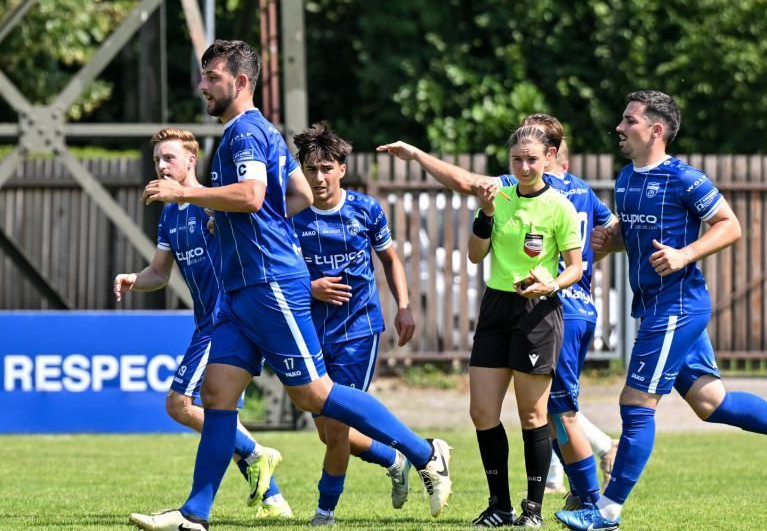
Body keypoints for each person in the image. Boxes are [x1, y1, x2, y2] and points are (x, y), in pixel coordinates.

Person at [129, 40, 451, 531]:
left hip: (269, 282)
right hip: (241, 291)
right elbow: (296, 194)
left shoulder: (246, 133)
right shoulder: (251, 135)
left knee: (315, 394)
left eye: (212, 77)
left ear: (240, 82)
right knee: (217, 395)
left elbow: (255, 195)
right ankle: (194, 515)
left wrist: (191, 192)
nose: (202, 86)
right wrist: (231, 215)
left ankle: (425, 453)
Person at [556, 90, 767, 531]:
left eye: (629, 121)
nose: (619, 128)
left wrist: (685, 254)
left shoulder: (685, 179)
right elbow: (627, 236)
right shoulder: (627, 178)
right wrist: (607, 244)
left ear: (656, 130)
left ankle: (607, 511)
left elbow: (731, 225)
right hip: (653, 308)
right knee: (712, 402)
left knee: (635, 403)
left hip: (677, 307)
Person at [378, 114, 619, 521]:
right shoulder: (500, 195)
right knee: (483, 412)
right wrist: (486, 214)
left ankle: (533, 508)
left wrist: (552, 284)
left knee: (533, 415)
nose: (523, 167)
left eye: (530, 159)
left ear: (548, 159)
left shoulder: (560, 204)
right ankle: (498, 504)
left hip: (538, 312)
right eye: (516, 159)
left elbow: (577, 267)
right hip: (496, 307)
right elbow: (475, 254)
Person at [114, 127, 291, 519]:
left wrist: (217, 216)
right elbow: (159, 274)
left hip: (226, 319)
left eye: (170, 157)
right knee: (220, 414)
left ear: (191, 161)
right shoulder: (168, 218)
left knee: (179, 405)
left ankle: (256, 452)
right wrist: (134, 279)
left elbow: (253, 216)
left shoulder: (212, 202)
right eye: (158, 158)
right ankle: (275, 501)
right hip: (207, 323)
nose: (161, 165)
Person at [290, 122, 416, 526]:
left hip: (358, 328)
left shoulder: (365, 210)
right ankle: (394, 458)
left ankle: (325, 511)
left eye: (327, 167)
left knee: (337, 428)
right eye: (311, 169)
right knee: (329, 433)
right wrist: (312, 287)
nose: (320, 177)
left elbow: (391, 259)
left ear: (342, 168)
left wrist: (404, 306)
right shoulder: (293, 219)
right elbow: (279, 272)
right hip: (310, 331)